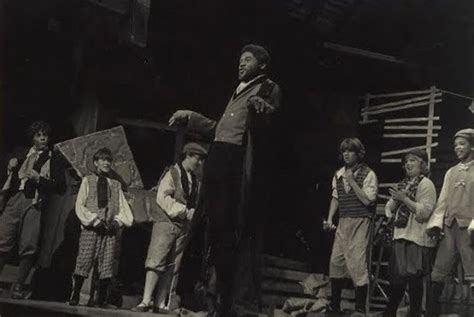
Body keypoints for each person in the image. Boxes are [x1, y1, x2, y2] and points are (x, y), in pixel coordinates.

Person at [169, 44, 281, 316]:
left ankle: (226, 302)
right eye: (239, 60)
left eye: (247, 59)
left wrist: (263, 107)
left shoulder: (267, 86)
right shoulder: (237, 91)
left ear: (262, 65)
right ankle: (198, 296)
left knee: (228, 233)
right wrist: (191, 117)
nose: (241, 64)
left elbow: (270, 114)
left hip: (235, 163)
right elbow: (218, 129)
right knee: (207, 228)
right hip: (217, 160)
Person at [133, 142, 207, 313]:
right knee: (156, 260)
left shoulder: (195, 179)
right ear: (188, 156)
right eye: (198, 159)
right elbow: (162, 197)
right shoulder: (172, 173)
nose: (200, 163)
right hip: (166, 222)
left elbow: (194, 202)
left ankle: (161, 303)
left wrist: (192, 213)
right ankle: (146, 300)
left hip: (183, 227)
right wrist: (183, 211)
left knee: (173, 265)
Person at [0, 120, 64, 299]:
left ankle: (18, 286)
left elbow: (60, 187)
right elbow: (8, 164)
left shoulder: (53, 158)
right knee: (2, 240)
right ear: (33, 137)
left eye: (45, 135)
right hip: (14, 199)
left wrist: (39, 179)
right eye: (39, 135)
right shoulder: (21, 152)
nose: (43, 138)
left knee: (28, 245)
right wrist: (10, 161)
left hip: (34, 201)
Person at [69, 147, 133, 307]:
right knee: (84, 259)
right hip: (92, 228)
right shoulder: (88, 180)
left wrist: (116, 222)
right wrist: (93, 220)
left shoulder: (116, 185)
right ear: (96, 163)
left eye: (109, 160)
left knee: (107, 264)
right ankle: (76, 295)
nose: (106, 163)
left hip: (109, 230)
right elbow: (80, 205)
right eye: (103, 160)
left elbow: (124, 209)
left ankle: (101, 299)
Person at [323, 137, 378, 315]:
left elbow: (368, 201)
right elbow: (336, 197)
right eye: (344, 151)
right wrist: (330, 218)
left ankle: (360, 309)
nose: (346, 154)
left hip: (361, 221)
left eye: (350, 151)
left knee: (357, 264)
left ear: (358, 153)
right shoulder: (339, 174)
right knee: (336, 262)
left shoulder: (368, 174)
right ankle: (335, 306)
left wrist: (352, 181)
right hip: (344, 221)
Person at [425, 128, 474, 317]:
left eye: (462, 144)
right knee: (438, 273)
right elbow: (443, 200)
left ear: (472, 145)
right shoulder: (451, 172)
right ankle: (431, 313)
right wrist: (437, 224)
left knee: (472, 273)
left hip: (469, 230)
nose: (458, 148)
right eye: (455, 145)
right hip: (450, 227)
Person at [383, 149, 437, 317]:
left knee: (414, 279)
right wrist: (394, 204)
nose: (408, 164)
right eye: (406, 161)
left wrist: (405, 199)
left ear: (422, 164)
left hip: (416, 237)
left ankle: (414, 313)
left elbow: (425, 212)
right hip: (400, 234)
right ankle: (390, 312)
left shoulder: (426, 184)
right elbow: (388, 207)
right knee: (397, 279)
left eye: (413, 160)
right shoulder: (403, 184)